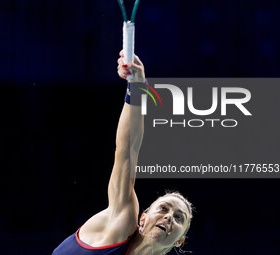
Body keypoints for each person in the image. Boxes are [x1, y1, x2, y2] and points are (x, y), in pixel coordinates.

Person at [52, 51, 193, 255]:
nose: (169, 217)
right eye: (163, 209)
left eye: (179, 218)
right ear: (142, 219)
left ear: (180, 240)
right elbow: (127, 151)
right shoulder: (122, 222)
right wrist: (136, 86)